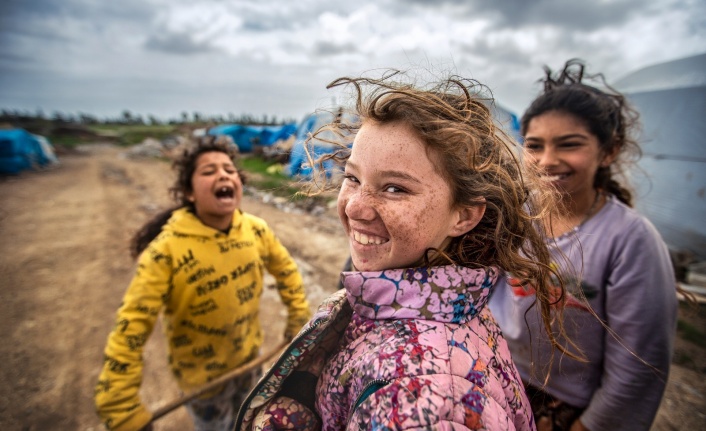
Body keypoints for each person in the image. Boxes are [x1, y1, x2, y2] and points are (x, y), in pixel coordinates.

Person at [234, 71, 577, 430]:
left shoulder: (417, 397)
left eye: (395, 188)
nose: (355, 207)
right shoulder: (458, 296)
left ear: (464, 215)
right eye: (352, 178)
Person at [488, 59, 678, 431]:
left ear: (609, 151)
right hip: (497, 380)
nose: (547, 160)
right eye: (535, 146)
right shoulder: (512, 216)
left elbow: (637, 368)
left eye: (569, 145)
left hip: (568, 407)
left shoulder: (629, 241)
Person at [94, 137, 312, 431]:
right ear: (188, 192)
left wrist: (298, 317)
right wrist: (119, 404)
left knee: (250, 423)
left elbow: (286, 270)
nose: (223, 174)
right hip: (204, 386)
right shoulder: (165, 251)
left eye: (229, 170)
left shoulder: (256, 230)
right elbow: (132, 324)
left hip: (250, 364)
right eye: (209, 171)